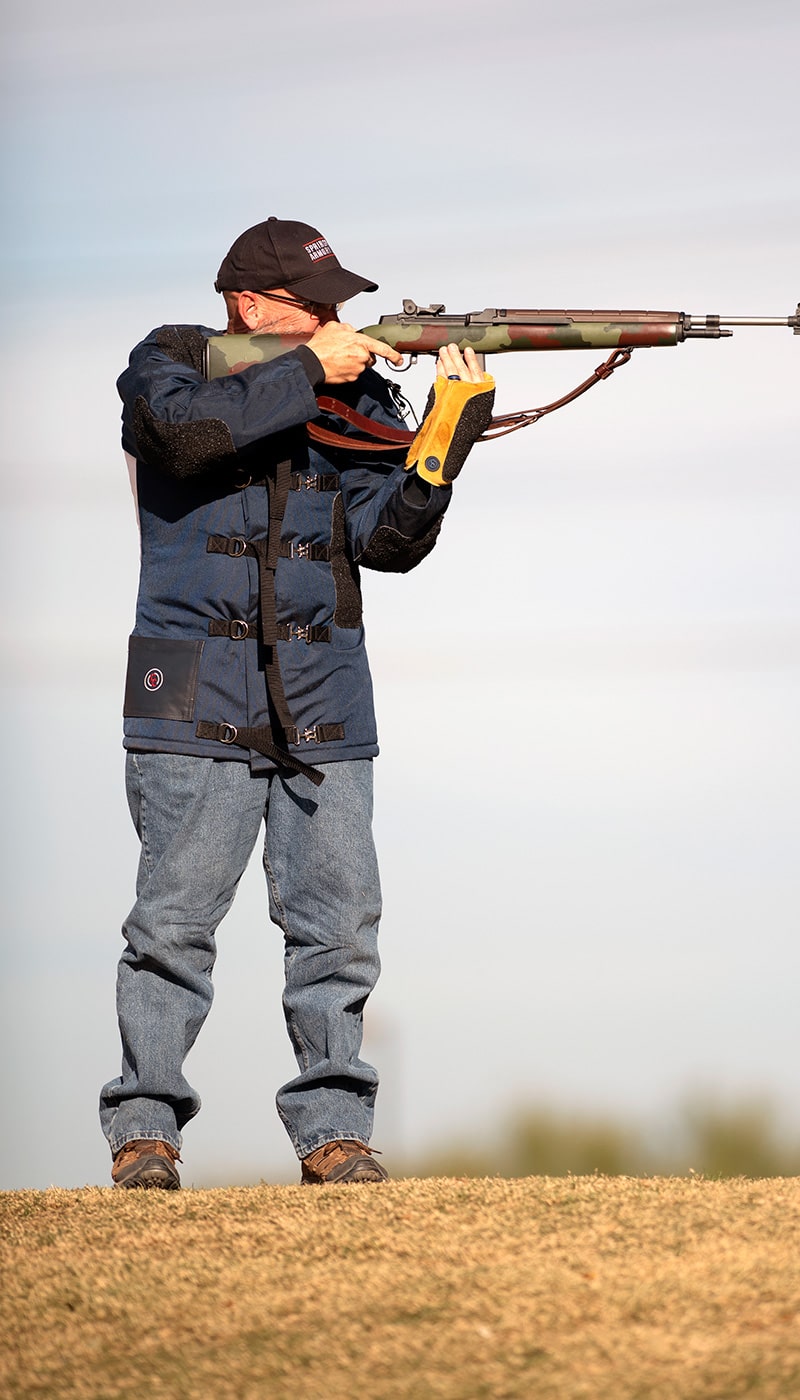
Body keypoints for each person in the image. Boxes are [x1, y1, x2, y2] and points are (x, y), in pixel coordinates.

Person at [100, 217, 494, 1189]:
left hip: (324, 692)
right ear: (247, 305)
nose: (334, 320)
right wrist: (308, 368)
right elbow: (190, 437)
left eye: (335, 307)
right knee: (172, 924)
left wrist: (444, 441)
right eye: (312, 304)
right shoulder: (171, 362)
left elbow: (386, 542)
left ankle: (334, 1128)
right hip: (190, 687)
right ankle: (145, 1127)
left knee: (340, 924)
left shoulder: (356, 389)